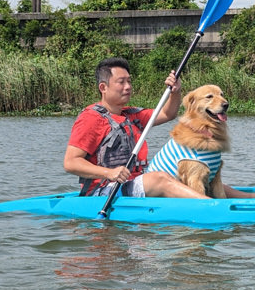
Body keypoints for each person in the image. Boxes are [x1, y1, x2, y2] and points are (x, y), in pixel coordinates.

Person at [63, 57, 208, 199]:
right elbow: (71, 162)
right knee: (159, 178)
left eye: (129, 81)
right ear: (103, 87)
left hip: (133, 184)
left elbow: (167, 113)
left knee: (196, 177)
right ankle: (209, 207)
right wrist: (109, 173)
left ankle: (226, 202)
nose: (128, 86)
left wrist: (175, 92)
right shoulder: (90, 118)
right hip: (103, 192)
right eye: (121, 82)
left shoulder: (132, 115)